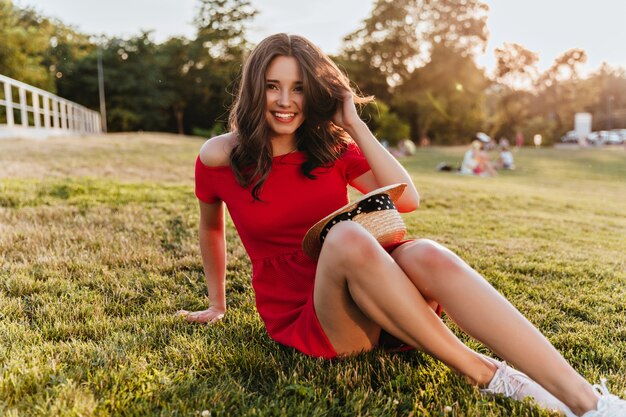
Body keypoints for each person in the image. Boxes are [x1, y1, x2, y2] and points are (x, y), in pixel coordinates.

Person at [178, 33, 626, 417]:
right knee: (349, 233)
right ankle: (487, 373)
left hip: (378, 291)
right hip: (315, 314)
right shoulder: (221, 156)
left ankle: (590, 403)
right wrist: (217, 304)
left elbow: (407, 197)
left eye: (298, 88)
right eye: (273, 86)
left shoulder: (330, 146)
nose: (285, 101)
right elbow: (211, 228)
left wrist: (352, 123)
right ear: (254, 89)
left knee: (426, 251)